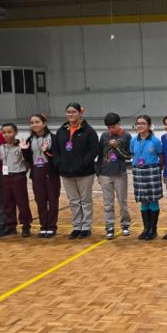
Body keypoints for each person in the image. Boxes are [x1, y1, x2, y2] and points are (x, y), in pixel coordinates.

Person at [54, 102, 99, 239]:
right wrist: (60, 164)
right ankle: (76, 226)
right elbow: (56, 150)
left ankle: (86, 227)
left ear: (80, 113)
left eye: (73, 112)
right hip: (66, 173)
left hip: (84, 173)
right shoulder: (61, 130)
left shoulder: (88, 131)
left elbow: (94, 150)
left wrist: (83, 163)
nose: (71, 114)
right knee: (73, 201)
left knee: (85, 201)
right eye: (68, 112)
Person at [23, 113, 61, 238]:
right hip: (36, 170)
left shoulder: (54, 138)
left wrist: (47, 151)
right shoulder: (29, 140)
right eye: (32, 123)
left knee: (53, 199)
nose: (34, 124)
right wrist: (24, 150)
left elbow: (57, 156)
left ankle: (52, 226)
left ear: (44, 123)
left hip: (50, 171)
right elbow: (28, 159)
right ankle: (43, 225)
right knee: (40, 200)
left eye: (37, 122)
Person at [97, 112, 132, 239]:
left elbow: (128, 156)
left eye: (113, 126)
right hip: (105, 174)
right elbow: (100, 155)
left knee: (123, 202)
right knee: (108, 203)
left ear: (119, 124)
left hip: (120, 173)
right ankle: (109, 226)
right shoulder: (104, 136)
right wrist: (98, 173)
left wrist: (118, 147)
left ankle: (125, 225)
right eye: (109, 127)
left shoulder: (126, 136)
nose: (111, 130)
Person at [131, 115, 164, 241]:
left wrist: (158, 169)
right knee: (143, 200)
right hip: (138, 171)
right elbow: (132, 153)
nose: (140, 125)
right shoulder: (133, 140)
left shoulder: (155, 141)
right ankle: (146, 228)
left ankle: (153, 230)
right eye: (138, 123)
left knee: (153, 200)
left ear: (149, 126)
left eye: (143, 123)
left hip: (152, 171)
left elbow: (161, 156)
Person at [0, 123, 33, 237]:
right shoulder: (1, 147)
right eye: (4, 132)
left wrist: (22, 172)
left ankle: (26, 225)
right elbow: (0, 160)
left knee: (22, 202)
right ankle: (10, 225)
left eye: (9, 132)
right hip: (6, 176)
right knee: (8, 202)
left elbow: (28, 161)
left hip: (18, 176)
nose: (6, 134)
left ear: (16, 132)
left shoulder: (21, 146)